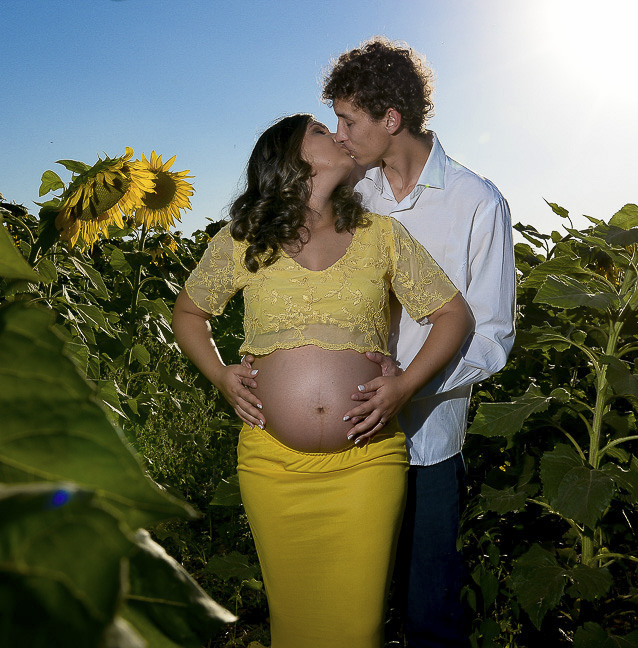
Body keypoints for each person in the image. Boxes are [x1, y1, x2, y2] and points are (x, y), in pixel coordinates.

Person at [172, 114, 474, 648]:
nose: (338, 134)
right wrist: (221, 375)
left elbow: (454, 316)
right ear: (290, 157)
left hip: (367, 461)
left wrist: (404, 386)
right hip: (271, 464)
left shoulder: (383, 236)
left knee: (358, 629)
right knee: (293, 625)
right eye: (319, 130)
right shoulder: (244, 240)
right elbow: (189, 314)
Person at [323, 38, 517, 647]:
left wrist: (407, 386)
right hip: (348, 432)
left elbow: (492, 335)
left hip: (428, 440)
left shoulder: (476, 203)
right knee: (353, 603)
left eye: (348, 120)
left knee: (429, 606)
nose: (339, 135)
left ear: (391, 119)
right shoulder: (354, 199)